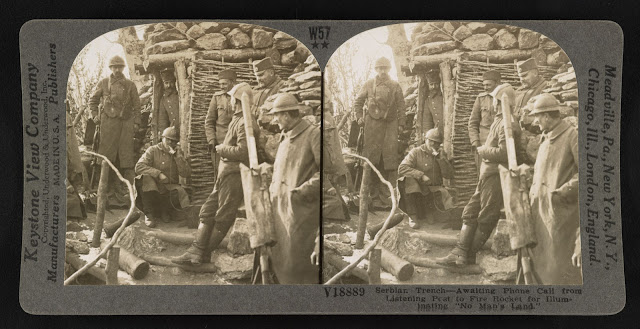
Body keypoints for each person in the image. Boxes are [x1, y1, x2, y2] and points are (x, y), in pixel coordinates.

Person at [172, 82, 258, 266]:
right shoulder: (237, 120)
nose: (230, 104)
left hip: (235, 176)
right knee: (207, 210)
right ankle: (195, 251)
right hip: (225, 175)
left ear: (240, 102)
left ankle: (203, 254)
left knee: (223, 215)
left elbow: (243, 151)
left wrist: (222, 149)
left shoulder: (246, 123)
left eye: (233, 100)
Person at [436, 83, 522, 266]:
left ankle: (469, 255)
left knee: (486, 216)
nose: (492, 104)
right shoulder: (499, 121)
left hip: (496, 177)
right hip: (487, 176)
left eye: (495, 101)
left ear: (501, 103)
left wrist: (484, 151)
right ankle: (459, 252)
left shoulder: (509, 124)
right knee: (470, 211)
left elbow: (506, 153)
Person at [527, 93, 581, 284]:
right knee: (541, 267)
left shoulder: (571, 136)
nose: (535, 122)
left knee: (557, 269)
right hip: (541, 212)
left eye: (537, 117)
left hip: (560, 214)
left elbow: (588, 174)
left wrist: (561, 193)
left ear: (548, 116)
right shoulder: (545, 138)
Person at [268, 93, 320, 284]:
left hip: (300, 212)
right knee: (280, 259)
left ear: (287, 115)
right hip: (281, 210)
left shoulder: (313, 134)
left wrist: (301, 193)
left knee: (297, 265)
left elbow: (327, 175)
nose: (275, 120)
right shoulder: (285, 137)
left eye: (277, 116)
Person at [353, 57, 405, 208]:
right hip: (372, 127)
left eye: (385, 68)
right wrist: (359, 117)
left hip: (390, 126)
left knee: (388, 161)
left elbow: (401, 106)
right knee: (371, 160)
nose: (382, 71)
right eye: (380, 68)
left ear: (389, 69)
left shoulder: (395, 85)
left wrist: (401, 124)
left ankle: (385, 198)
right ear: (376, 69)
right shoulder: (369, 84)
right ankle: (371, 197)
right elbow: (358, 101)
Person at [88, 55, 141, 201]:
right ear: (110, 68)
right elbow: (92, 101)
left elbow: (137, 106)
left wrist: (136, 123)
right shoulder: (104, 83)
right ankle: (105, 188)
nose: (117, 69)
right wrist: (94, 116)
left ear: (123, 68)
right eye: (114, 67)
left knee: (125, 156)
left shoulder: (130, 85)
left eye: (120, 67)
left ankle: (123, 189)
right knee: (106, 156)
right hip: (108, 126)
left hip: (126, 124)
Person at [398, 128, 454, 229]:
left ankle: (429, 213)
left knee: (435, 219)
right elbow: (402, 168)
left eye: (436, 143)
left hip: (431, 191)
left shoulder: (441, 154)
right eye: (430, 141)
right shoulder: (416, 152)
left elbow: (448, 175)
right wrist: (421, 175)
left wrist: (441, 160)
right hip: (417, 190)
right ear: (425, 139)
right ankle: (413, 216)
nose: (433, 144)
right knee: (407, 180)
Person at [135, 127, 191, 228]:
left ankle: (164, 211)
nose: (170, 142)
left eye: (173, 141)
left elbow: (186, 174)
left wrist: (178, 157)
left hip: (168, 188)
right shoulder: (152, 150)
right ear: (162, 138)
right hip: (153, 188)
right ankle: (149, 215)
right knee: (145, 179)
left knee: (180, 191)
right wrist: (158, 173)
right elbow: (139, 167)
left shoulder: (178, 153)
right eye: (167, 139)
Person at [205, 69, 237, 177]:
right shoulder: (217, 98)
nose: (221, 86)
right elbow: (209, 121)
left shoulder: (241, 97)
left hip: (235, 145)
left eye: (224, 83)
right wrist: (211, 139)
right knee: (220, 175)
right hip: (220, 144)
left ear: (233, 83)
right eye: (220, 84)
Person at [469, 70, 500, 175]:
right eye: (484, 85)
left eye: (488, 85)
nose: (485, 87)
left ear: (497, 83)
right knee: (482, 175)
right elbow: (473, 123)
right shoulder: (481, 99)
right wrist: (475, 142)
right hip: (483, 144)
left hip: (499, 144)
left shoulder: (505, 97)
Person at [416, 69, 444, 142]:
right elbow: (427, 122)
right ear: (428, 85)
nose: (434, 86)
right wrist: (428, 136)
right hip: (437, 134)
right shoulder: (428, 101)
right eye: (431, 84)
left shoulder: (444, 96)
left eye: (436, 84)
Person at [157, 68, 180, 134]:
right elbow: (163, 120)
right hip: (173, 132)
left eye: (171, 82)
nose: (169, 85)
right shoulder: (164, 100)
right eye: (166, 83)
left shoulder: (180, 95)